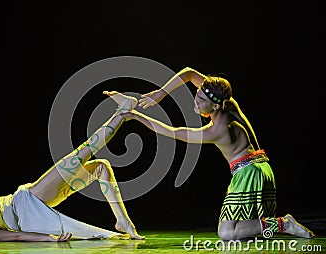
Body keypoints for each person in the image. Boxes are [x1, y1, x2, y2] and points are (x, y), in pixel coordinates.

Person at [122, 67, 315, 241]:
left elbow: (172, 132)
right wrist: (160, 94)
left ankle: (284, 224)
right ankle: (276, 225)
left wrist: (137, 116)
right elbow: (189, 73)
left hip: (248, 173)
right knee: (244, 230)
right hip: (262, 169)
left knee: (227, 233)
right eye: (197, 95)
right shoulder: (229, 104)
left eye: (201, 101)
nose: (196, 101)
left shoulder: (215, 131)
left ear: (215, 106)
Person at [0, 91, 145, 242]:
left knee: (101, 167)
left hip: (33, 199)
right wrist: (49, 239)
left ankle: (123, 221)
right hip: (31, 201)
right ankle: (122, 111)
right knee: (82, 153)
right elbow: (17, 236)